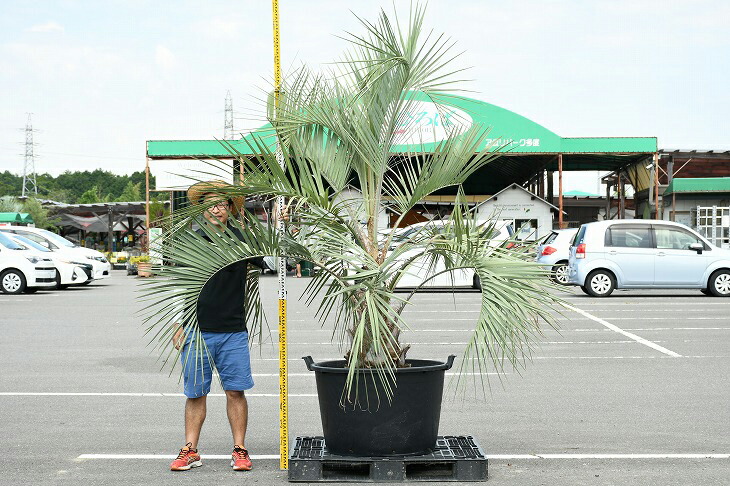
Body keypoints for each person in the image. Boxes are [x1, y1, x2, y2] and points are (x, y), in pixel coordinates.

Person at [169, 181, 266, 472]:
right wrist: (178, 323)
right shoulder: (191, 240)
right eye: (210, 203)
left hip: (232, 330)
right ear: (202, 208)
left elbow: (272, 262)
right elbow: (180, 285)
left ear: (230, 209)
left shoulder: (242, 241)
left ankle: (239, 449)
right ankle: (190, 449)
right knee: (195, 393)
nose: (216, 208)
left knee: (235, 391)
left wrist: (277, 227)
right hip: (196, 331)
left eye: (222, 204)